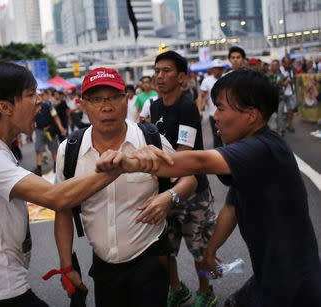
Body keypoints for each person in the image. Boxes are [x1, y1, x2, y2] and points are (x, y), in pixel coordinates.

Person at [97, 69, 321, 307]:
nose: (215, 116)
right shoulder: (250, 156)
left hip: (294, 283)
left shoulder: (264, 148)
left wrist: (133, 162)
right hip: (270, 275)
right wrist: (210, 251)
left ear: (252, 115)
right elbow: (232, 206)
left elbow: (201, 161)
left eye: (221, 108)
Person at [0, 62, 123, 307]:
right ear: (5, 107)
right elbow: (57, 197)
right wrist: (117, 168)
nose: (40, 101)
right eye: (30, 95)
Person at [54, 67, 197, 307]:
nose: (106, 107)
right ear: (83, 105)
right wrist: (66, 265)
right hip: (103, 265)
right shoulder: (69, 150)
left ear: (127, 99)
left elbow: (189, 178)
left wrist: (169, 197)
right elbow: (63, 208)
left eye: (113, 97)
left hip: (150, 257)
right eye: (96, 99)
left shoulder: (150, 138)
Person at [151, 51, 217, 306]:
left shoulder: (187, 107)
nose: (159, 76)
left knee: (199, 250)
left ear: (181, 77)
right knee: (165, 251)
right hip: (165, 192)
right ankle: (176, 288)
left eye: (166, 71)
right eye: (157, 71)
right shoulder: (154, 106)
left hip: (193, 192)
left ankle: (205, 289)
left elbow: (184, 154)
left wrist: (152, 163)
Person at [33, 90, 66, 176]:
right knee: (38, 149)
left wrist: (60, 127)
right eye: (37, 95)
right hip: (39, 130)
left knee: (54, 149)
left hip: (49, 130)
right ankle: (39, 168)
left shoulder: (48, 106)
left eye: (40, 95)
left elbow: (55, 116)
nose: (38, 97)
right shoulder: (33, 107)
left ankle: (56, 167)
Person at [197, 59, 225, 148]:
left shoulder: (226, 79)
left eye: (220, 68)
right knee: (217, 136)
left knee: (228, 135)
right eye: (216, 68)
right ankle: (218, 157)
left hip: (227, 113)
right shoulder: (207, 81)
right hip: (213, 114)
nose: (218, 70)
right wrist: (199, 110)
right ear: (212, 69)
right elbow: (201, 95)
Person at [267, 59, 286, 136]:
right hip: (270, 99)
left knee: (280, 115)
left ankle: (280, 131)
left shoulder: (281, 75)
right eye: (272, 65)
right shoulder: (267, 75)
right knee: (272, 116)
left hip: (280, 98)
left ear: (278, 66)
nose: (274, 66)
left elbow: (286, 84)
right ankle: (274, 132)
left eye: (275, 65)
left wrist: (282, 83)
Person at [281, 56, 297, 133]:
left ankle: (289, 124)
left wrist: (292, 82)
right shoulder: (279, 71)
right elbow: (277, 80)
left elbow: (293, 80)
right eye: (286, 63)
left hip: (290, 92)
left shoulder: (291, 70)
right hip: (282, 93)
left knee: (291, 109)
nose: (287, 64)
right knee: (282, 110)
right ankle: (281, 127)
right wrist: (285, 83)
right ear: (283, 63)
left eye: (289, 63)